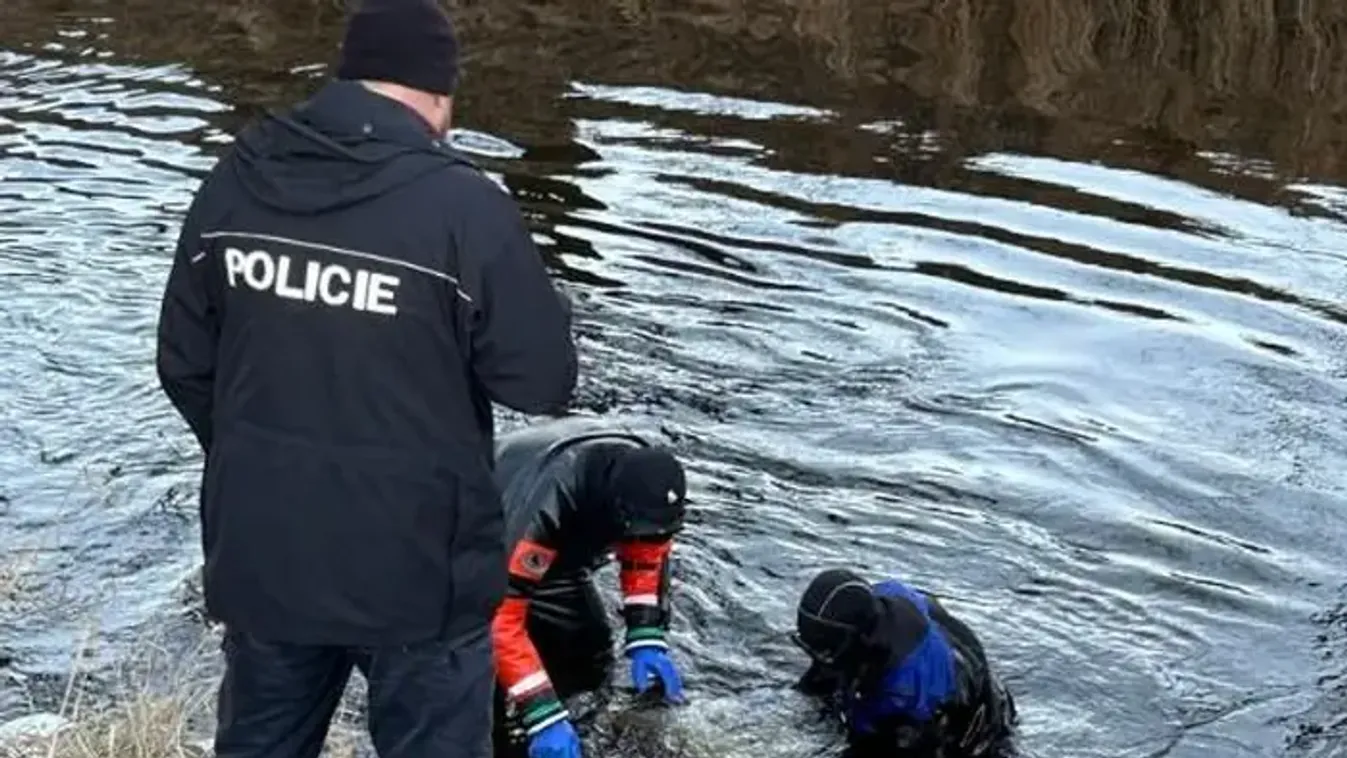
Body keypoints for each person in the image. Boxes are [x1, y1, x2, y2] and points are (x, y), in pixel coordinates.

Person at [153, 0, 578, 755]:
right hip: (418, 570)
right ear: (441, 95)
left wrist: (259, 460)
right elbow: (541, 380)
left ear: (346, 75)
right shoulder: (465, 205)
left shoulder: (239, 174)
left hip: (268, 549)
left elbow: (183, 361)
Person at [487, 416, 690, 758]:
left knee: (589, 664)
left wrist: (645, 632)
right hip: (468, 547)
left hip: (559, 556)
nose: (647, 538)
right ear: (615, 509)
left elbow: (648, 550)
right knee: (476, 690)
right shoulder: (546, 499)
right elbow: (498, 613)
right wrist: (542, 714)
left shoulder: (645, 483)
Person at [792, 569, 1018, 757]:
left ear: (859, 640)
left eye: (826, 653)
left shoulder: (912, 700)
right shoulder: (881, 598)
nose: (817, 663)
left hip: (958, 734)